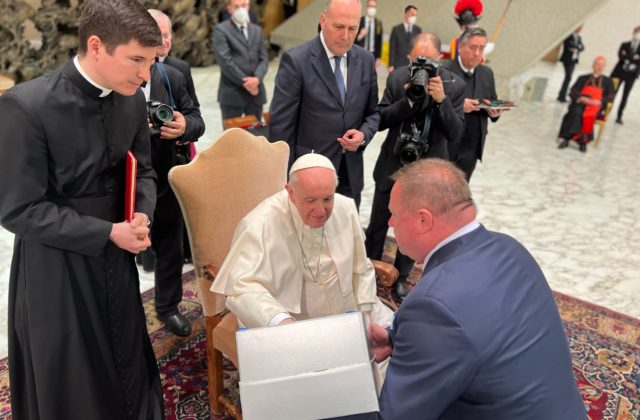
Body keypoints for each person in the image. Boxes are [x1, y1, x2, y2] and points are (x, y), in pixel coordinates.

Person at [0, 0, 165, 418]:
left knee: (125, 365)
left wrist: (141, 211)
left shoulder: (130, 98)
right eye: (136, 60)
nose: (145, 75)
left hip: (117, 258)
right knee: (74, 384)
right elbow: (18, 210)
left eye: (151, 61)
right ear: (96, 46)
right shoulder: (26, 107)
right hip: (56, 272)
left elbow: (144, 171)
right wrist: (107, 232)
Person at [368, 158, 586, 419]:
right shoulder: (509, 247)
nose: (390, 222)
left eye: (394, 214)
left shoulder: (434, 304)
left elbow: (395, 416)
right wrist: (396, 337)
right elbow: (476, 331)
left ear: (423, 220)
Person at [211, 153, 393, 329]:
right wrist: (281, 323)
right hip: (293, 319)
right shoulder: (260, 223)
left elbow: (361, 268)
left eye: (328, 198)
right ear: (291, 193)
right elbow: (241, 288)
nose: (321, 211)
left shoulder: (345, 207)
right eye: (311, 200)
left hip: (348, 306)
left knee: (392, 344)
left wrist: (365, 314)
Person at [365, 32, 465, 301]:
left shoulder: (455, 85)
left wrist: (442, 100)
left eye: (429, 62)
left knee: (414, 227)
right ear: (408, 58)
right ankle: (367, 268)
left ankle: (400, 276)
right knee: (377, 223)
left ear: (440, 60)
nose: (422, 68)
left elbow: (455, 132)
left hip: (427, 170)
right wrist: (407, 101)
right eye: (417, 61)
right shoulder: (398, 78)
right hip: (393, 162)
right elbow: (381, 118)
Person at [269, 0, 379, 210]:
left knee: (344, 233)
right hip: (309, 172)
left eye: (352, 29)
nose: (345, 36)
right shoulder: (296, 61)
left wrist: (364, 134)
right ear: (323, 20)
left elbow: (373, 113)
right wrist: (289, 178)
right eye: (339, 27)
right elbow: (281, 129)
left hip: (350, 171)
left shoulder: (365, 60)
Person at [143, 16, 206, 337]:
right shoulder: (114, 77)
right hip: (124, 179)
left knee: (169, 245)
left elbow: (196, 118)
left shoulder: (172, 75)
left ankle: (168, 307)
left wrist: (184, 126)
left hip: (166, 173)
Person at [148, 8, 201, 264]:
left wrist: (183, 127)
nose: (164, 41)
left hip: (173, 153)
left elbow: (194, 115)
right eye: (159, 35)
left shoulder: (178, 70)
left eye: (167, 35)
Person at [445, 27, 506, 181]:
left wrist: (494, 112)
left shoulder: (487, 73)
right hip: (445, 144)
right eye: (473, 48)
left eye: (481, 48)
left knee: (461, 191)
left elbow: (492, 99)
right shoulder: (444, 70)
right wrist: (459, 106)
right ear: (460, 47)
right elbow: (431, 105)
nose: (477, 53)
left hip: (472, 146)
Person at [213, 0, 269, 122]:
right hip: (233, 93)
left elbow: (264, 59)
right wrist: (247, 83)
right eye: (236, 6)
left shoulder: (257, 30)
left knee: (255, 136)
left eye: (243, 5)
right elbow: (225, 61)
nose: (240, 9)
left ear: (248, 6)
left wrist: (257, 79)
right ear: (230, 9)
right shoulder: (221, 30)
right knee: (233, 138)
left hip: (256, 93)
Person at [558, 56, 614, 153]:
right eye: (598, 64)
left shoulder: (608, 81)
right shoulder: (583, 78)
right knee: (577, 111)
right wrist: (581, 98)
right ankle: (578, 141)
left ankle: (573, 139)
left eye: (602, 65)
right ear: (593, 65)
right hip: (581, 103)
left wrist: (599, 102)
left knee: (587, 114)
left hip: (596, 106)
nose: (600, 67)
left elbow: (610, 96)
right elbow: (573, 91)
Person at [610, 26, 640, 125]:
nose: (637, 35)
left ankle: (619, 116)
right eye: (636, 32)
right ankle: (605, 112)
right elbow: (620, 56)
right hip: (619, 73)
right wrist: (634, 57)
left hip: (631, 75)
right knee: (612, 93)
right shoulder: (625, 44)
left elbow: (625, 56)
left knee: (625, 95)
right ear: (633, 33)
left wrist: (627, 56)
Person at [387, 5, 421, 72]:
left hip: (413, 64)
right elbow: (392, 48)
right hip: (398, 64)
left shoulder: (418, 30)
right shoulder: (396, 29)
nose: (414, 17)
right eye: (412, 15)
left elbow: (419, 48)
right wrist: (391, 64)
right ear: (406, 14)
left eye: (415, 15)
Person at [557, 26, 585, 103]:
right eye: (579, 27)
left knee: (568, 78)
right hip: (567, 59)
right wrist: (577, 47)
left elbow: (582, 48)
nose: (580, 29)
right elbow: (568, 46)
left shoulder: (579, 37)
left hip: (574, 60)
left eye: (581, 28)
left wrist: (576, 48)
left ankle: (562, 95)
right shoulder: (569, 35)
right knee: (568, 77)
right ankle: (561, 96)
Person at [355, 0, 383, 65]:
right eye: (370, 6)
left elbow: (379, 42)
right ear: (366, 7)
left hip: (372, 55)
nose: (372, 9)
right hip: (360, 53)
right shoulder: (359, 21)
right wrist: (360, 36)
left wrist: (378, 57)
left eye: (374, 7)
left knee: (370, 74)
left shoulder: (378, 23)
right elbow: (352, 40)